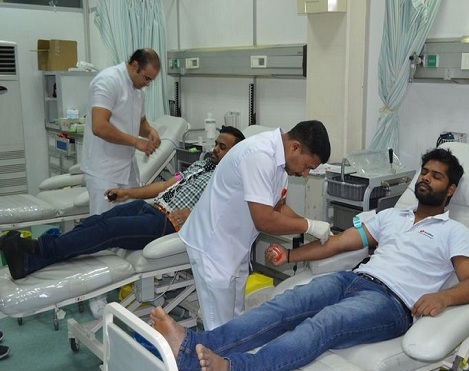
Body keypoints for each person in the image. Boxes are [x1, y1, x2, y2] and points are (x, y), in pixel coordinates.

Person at [149, 147, 469, 371]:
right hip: (353, 279)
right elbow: (338, 244)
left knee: (323, 324)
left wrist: (443, 297)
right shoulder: (392, 217)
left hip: (391, 304)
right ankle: (190, 348)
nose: (425, 178)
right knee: (283, 306)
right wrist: (290, 255)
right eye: (424, 172)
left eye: (436, 176)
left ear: (450, 190)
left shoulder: (454, 232)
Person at [0, 127, 245, 282]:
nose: (215, 149)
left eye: (222, 147)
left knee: (107, 231)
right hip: (151, 207)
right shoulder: (202, 165)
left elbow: (228, 213)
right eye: (216, 144)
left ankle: (37, 248)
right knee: (96, 221)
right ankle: (30, 261)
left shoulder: (231, 181)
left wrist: (193, 214)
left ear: (235, 153)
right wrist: (128, 193)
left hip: (166, 223)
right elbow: (163, 185)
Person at [179, 120, 332, 330]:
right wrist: (308, 226)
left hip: (236, 246)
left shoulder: (281, 164)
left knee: (236, 319)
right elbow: (264, 220)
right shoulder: (259, 155)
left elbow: (278, 208)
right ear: (295, 147)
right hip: (213, 246)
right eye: (307, 167)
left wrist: (312, 227)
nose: (305, 174)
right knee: (218, 328)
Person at [80, 48, 162, 215]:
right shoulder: (108, 81)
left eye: (151, 80)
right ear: (134, 65)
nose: (148, 84)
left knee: (130, 222)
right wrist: (136, 142)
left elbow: (140, 122)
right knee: (104, 224)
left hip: (127, 168)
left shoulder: (139, 90)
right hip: (104, 170)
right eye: (146, 78)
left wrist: (150, 132)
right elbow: (99, 127)